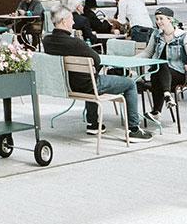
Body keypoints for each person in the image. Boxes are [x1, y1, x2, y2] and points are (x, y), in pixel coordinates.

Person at [44, 9, 151, 139]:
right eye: (71, 19)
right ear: (64, 21)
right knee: (129, 84)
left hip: (65, 84)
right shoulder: (76, 43)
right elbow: (97, 60)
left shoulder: (47, 41)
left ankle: (93, 124)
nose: (73, 22)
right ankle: (134, 129)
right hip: (87, 85)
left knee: (88, 78)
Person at [141, 8, 187, 121]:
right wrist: (131, 60)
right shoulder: (156, 35)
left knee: (160, 66)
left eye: (161, 19)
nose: (158, 22)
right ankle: (166, 98)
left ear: (170, 20)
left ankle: (157, 110)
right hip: (161, 75)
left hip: (181, 74)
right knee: (157, 69)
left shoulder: (183, 36)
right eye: (157, 19)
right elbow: (147, 53)